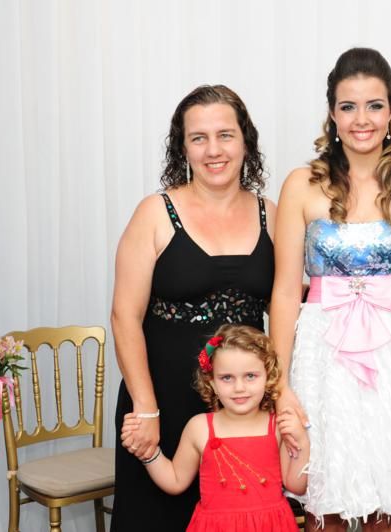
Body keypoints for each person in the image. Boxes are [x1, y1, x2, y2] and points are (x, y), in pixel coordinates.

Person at [270, 47, 391, 531]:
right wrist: (280, 385)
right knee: (325, 506)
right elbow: (284, 292)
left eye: (374, 105)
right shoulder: (300, 185)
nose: (362, 119)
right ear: (332, 113)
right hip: (321, 356)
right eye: (348, 106)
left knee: (388, 506)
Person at [110, 85, 276, 530]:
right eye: (198, 138)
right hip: (162, 399)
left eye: (225, 135)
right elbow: (124, 317)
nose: (213, 150)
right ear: (182, 148)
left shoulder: (272, 214)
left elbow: (285, 307)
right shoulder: (154, 212)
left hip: (241, 405)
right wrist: (145, 408)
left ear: (246, 141)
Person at [120, 324, 308, 532]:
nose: (239, 387)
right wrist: (148, 452)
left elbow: (297, 486)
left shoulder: (277, 426)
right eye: (227, 378)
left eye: (250, 376)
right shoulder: (199, 427)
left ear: (268, 376)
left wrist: (302, 440)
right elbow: (175, 481)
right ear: (212, 383)